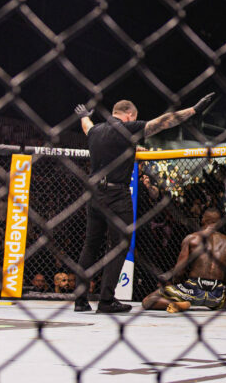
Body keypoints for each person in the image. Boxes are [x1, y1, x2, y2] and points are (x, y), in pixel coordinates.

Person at [74, 94, 214, 314]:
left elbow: (86, 126)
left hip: (93, 194)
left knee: (90, 245)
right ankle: (106, 300)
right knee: (119, 246)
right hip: (116, 195)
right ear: (130, 115)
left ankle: (80, 301)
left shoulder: (96, 130)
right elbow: (164, 121)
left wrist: (83, 115)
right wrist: (194, 110)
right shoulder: (127, 128)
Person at [141, 219, 226, 313]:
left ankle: (175, 304)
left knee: (148, 300)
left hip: (192, 290)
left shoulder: (192, 238)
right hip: (215, 294)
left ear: (203, 221)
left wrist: (177, 283)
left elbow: (179, 271)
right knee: (224, 300)